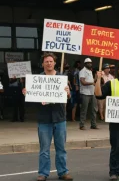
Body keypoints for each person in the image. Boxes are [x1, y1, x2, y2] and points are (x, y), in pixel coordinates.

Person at [23, 52, 73, 181]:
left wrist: (68, 93)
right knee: (44, 149)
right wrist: (27, 93)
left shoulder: (62, 78)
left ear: (55, 63)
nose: (49, 63)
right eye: (46, 61)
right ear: (43, 64)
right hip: (44, 118)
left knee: (61, 148)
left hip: (60, 118)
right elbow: (33, 96)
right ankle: (43, 173)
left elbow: (69, 98)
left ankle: (63, 172)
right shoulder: (37, 79)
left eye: (51, 61)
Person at [79, 58, 98, 130]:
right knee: (84, 109)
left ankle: (93, 124)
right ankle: (82, 125)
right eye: (88, 63)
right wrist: (92, 83)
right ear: (85, 64)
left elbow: (93, 81)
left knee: (94, 109)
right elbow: (83, 82)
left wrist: (96, 78)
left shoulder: (90, 71)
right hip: (85, 93)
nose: (90, 64)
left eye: (90, 63)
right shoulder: (82, 71)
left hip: (92, 92)